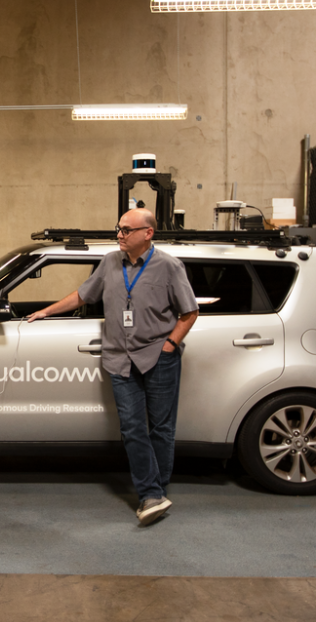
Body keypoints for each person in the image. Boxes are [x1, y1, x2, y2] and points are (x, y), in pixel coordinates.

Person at [27, 208, 198, 526]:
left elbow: (189, 312)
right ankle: (151, 494)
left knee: (161, 429)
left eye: (126, 230)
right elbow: (82, 295)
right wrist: (45, 312)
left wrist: (170, 345)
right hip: (120, 358)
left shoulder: (169, 266)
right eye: (118, 229)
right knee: (132, 428)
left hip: (158, 357)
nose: (119, 235)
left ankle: (155, 491)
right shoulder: (109, 262)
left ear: (147, 233)